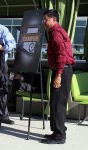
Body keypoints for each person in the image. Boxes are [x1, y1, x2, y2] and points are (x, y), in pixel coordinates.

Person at [41, 9, 75, 144]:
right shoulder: (55, 32)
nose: (44, 22)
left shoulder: (56, 34)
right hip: (61, 70)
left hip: (62, 71)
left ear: (54, 19)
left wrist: (58, 75)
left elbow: (62, 56)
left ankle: (60, 136)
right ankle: (57, 132)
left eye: (46, 19)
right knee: (55, 102)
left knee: (59, 104)